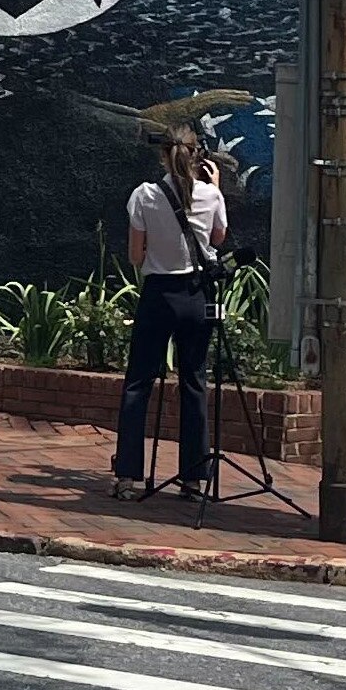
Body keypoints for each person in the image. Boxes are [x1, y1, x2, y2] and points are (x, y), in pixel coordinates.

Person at [111, 127, 228, 500]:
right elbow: (218, 239)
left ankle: (128, 476)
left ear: (163, 156)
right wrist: (218, 187)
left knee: (139, 382)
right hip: (196, 294)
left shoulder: (144, 195)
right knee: (194, 382)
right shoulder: (211, 195)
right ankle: (193, 479)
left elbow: (135, 255)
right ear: (197, 157)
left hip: (159, 292)